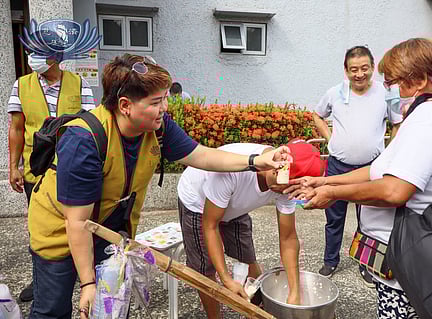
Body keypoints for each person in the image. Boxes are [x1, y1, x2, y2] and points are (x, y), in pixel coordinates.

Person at [26, 53, 291, 319]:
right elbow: (77, 222)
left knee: (112, 310)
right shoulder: (84, 139)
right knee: (53, 310)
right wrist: (87, 283)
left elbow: (202, 156)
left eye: (164, 98)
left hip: (109, 233)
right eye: (156, 101)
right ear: (125, 105)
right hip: (60, 232)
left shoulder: (157, 128)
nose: (165, 107)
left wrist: (256, 160)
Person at [290, 38, 432, 318]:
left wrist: (333, 194)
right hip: (421, 256)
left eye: (394, 83)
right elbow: (378, 169)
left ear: (418, 81)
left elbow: (393, 190)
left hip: (414, 264)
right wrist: (326, 181)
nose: (390, 90)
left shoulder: (428, 118)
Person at [177, 141, 323, 318]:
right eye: (284, 188)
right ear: (278, 169)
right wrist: (226, 279)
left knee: (247, 256)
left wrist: (295, 294)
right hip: (198, 203)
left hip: (236, 204)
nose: (283, 193)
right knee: (206, 268)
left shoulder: (287, 183)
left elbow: (288, 238)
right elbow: (210, 226)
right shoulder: (233, 172)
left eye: (290, 191)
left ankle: (254, 310)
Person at [7, 51, 95, 302]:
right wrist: (14, 166)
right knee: (41, 229)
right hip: (36, 170)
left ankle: (81, 274)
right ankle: (42, 279)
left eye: (38, 54)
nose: (31, 57)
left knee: (77, 221)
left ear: (55, 57)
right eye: (30, 52)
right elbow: (16, 127)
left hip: (71, 168)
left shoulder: (79, 83)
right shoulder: (21, 85)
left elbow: (91, 123)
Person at [311, 45, 403, 285]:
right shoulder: (335, 93)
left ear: (373, 67)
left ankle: (366, 262)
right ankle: (330, 261)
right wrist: (330, 139)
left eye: (364, 68)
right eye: (354, 70)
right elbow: (317, 115)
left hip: (371, 168)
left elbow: (397, 124)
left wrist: (390, 154)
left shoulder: (386, 94)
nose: (359, 74)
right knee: (334, 218)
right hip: (338, 165)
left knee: (370, 220)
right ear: (346, 70)